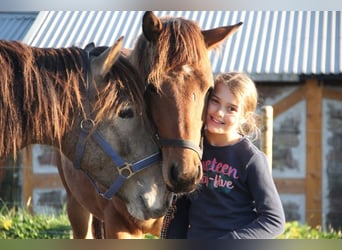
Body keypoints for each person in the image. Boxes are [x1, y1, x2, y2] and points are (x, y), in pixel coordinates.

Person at [161, 72, 286, 239]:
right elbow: (182, 207)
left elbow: (274, 220)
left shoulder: (250, 159)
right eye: (215, 101)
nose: (219, 112)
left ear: (244, 117)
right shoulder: (194, 149)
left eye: (231, 108)